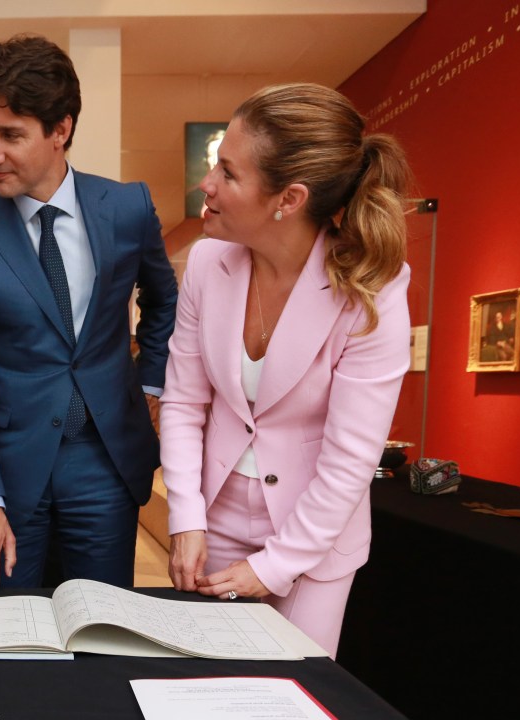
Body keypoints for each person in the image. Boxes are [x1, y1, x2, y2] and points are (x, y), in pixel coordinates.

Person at [159, 83, 412, 657]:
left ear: (288, 199)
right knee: (206, 688)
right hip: (215, 521)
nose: (208, 184)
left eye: (228, 172)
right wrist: (186, 517)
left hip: (313, 542)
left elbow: (351, 460)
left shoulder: (372, 289)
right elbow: (182, 402)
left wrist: (276, 566)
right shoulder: (205, 263)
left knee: (289, 694)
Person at [0, 35, 178, 591]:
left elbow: (163, 301)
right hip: (11, 468)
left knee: (103, 626)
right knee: (15, 636)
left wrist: (153, 382)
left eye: (10, 135)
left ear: (60, 130)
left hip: (106, 460)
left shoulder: (127, 208)